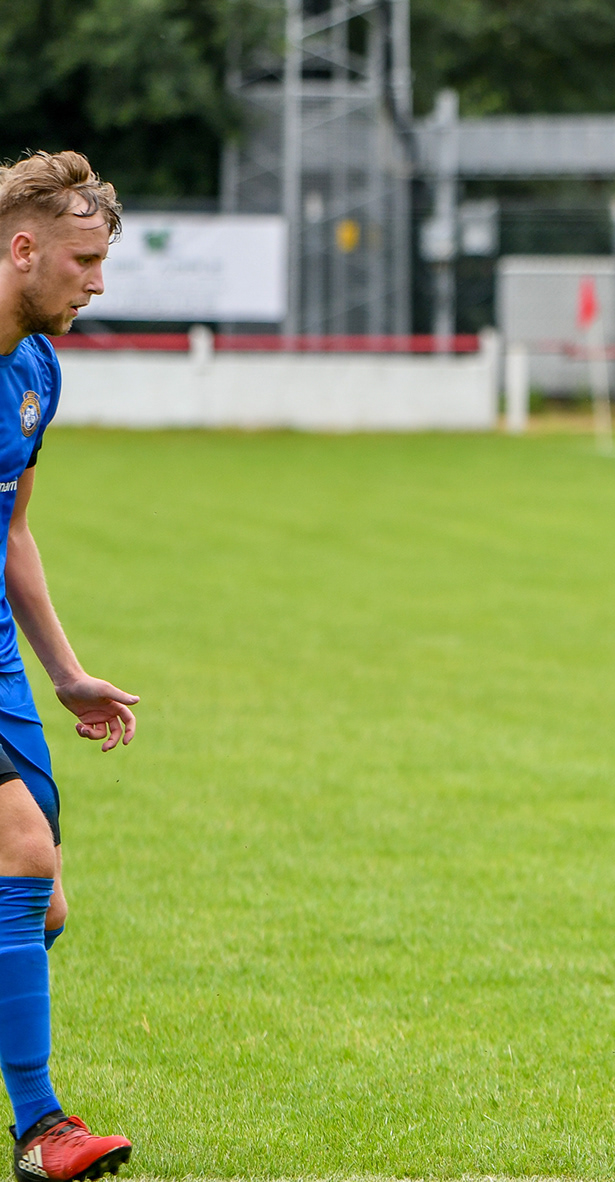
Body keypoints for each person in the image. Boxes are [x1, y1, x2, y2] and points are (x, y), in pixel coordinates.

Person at [0, 151, 140, 1182]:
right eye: (85, 261)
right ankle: (44, 1130)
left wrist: (64, 671)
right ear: (23, 248)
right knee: (21, 855)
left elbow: (13, 533)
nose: (97, 282)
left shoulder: (37, 372)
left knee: (39, 910)